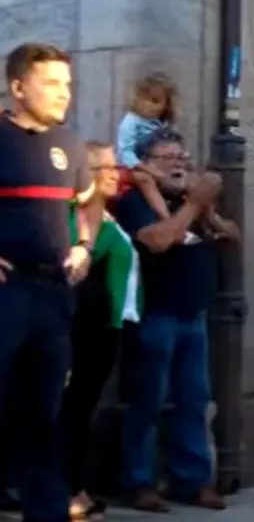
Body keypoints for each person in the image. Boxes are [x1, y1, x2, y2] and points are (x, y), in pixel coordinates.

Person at [114, 128, 234, 511]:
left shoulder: (189, 200)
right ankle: (138, 482)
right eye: (168, 158)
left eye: (182, 157)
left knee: (193, 400)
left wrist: (207, 210)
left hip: (192, 314)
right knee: (147, 401)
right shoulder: (136, 201)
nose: (179, 165)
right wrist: (194, 205)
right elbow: (158, 240)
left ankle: (192, 481)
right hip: (155, 314)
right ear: (147, 165)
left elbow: (233, 235)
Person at [0, 42, 95, 522]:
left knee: (44, 414)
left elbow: (90, 201)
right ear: (18, 87)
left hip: (53, 297)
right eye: (51, 83)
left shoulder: (70, 145)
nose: (64, 94)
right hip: (6, 293)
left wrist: (84, 244)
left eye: (67, 84)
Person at [61, 142, 143, 519]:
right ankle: (69, 489)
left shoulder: (108, 217)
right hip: (82, 328)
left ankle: (75, 486)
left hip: (107, 327)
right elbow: (78, 271)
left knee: (82, 409)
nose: (115, 174)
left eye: (115, 166)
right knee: (72, 409)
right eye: (105, 168)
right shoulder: (76, 219)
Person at [115, 73, 180, 220]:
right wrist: (152, 171)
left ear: (166, 106)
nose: (148, 105)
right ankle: (168, 220)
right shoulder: (130, 122)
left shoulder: (161, 124)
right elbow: (125, 154)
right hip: (131, 168)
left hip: (154, 165)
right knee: (144, 179)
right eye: (144, 100)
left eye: (155, 102)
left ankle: (210, 220)